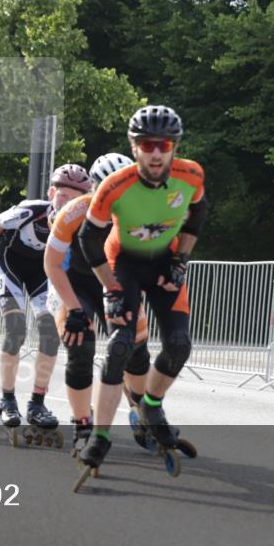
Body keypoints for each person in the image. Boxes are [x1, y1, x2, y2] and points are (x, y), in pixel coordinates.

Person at [76, 105, 207, 470]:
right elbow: (89, 240)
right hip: (124, 265)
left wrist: (181, 260)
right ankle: (100, 436)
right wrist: (110, 287)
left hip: (164, 262)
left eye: (163, 144)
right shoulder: (115, 186)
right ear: (134, 147)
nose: (155, 152)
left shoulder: (191, 174)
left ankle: (150, 407)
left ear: (174, 147)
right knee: (120, 346)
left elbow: (199, 213)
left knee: (179, 344)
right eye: (147, 144)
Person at [44, 153, 150, 456]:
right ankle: (82, 425)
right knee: (81, 348)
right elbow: (51, 265)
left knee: (135, 348)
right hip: (72, 283)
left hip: (114, 282)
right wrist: (75, 310)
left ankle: (141, 407)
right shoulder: (74, 212)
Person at [0, 164, 92, 441]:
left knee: (50, 334)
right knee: (16, 329)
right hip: (9, 263)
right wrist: (12, 244)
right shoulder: (32, 209)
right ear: (51, 193)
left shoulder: (80, 223)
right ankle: (7, 399)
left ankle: (37, 402)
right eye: (62, 196)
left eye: (74, 199)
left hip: (42, 274)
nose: (66, 203)